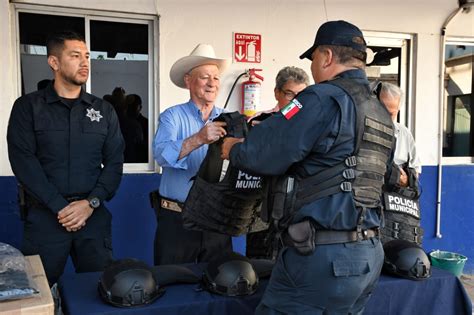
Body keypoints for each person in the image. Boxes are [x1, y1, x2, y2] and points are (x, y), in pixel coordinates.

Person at [221, 20, 396, 314]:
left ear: (326, 56)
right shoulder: (379, 109)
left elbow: (265, 154)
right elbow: (387, 174)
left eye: (313, 58)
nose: (314, 67)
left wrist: (234, 148)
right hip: (368, 253)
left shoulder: (320, 98)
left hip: (322, 258)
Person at [7, 31, 125, 285]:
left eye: (87, 57)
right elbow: (23, 162)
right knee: (39, 292)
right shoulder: (28, 107)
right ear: (54, 62)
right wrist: (60, 207)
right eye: (75, 56)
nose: (85, 63)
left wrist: (90, 203)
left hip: (92, 218)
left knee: (100, 290)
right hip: (45, 220)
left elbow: (115, 163)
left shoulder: (103, 110)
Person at [152, 43, 233, 265]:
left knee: (221, 282)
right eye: (205, 77)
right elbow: (160, 155)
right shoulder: (172, 116)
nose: (212, 84)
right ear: (188, 80)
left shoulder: (230, 119)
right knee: (172, 281)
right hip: (178, 218)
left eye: (216, 78)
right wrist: (199, 138)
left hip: (216, 217)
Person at [246, 66, 310, 259]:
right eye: (290, 94)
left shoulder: (312, 127)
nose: (296, 101)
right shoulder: (259, 122)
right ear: (277, 93)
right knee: (259, 270)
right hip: (261, 211)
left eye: (302, 95)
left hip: (299, 213)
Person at [379, 82, 423, 244]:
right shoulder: (360, 129)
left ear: (398, 110)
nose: (385, 118)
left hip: (395, 208)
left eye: (391, 113)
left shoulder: (404, 134)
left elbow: (416, 170)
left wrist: (405, 180)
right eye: (381, 110)